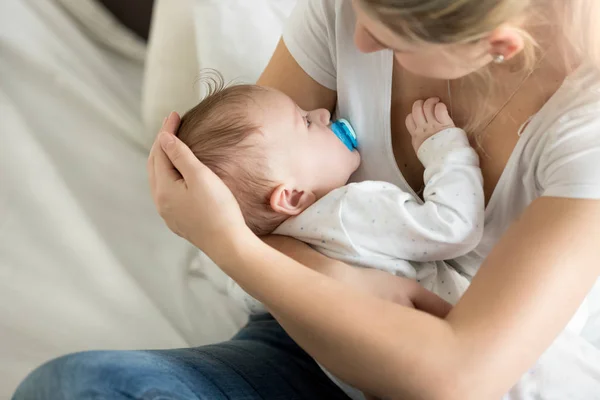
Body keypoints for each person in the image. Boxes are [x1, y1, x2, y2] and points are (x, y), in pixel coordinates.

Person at [14, 0, 600, 399]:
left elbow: (455, 375)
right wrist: (339, 286)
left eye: (390, 32)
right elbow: (248, 195)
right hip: (303, 346)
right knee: (78, 386)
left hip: (454, 383)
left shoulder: (585, 127)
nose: (359, 35)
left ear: (497, 44)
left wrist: (231, 246)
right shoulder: (346, 9)